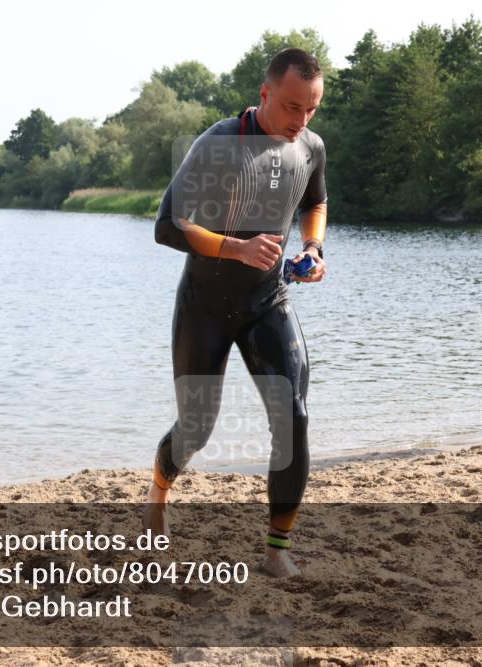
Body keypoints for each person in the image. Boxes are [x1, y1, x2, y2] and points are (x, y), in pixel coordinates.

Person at [143, 48, 329, 578]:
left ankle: (277, 549)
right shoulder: (218, 144)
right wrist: (236, 247)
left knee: (293, 416)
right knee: (197, 428)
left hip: (267, 301)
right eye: (293, 107)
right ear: (266, 93)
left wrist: (313, 250)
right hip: (204, 307)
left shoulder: (310, 147)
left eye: (311, 109)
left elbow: (315, 200)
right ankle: (159, 491)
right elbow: (168, 226)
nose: (302, 121)